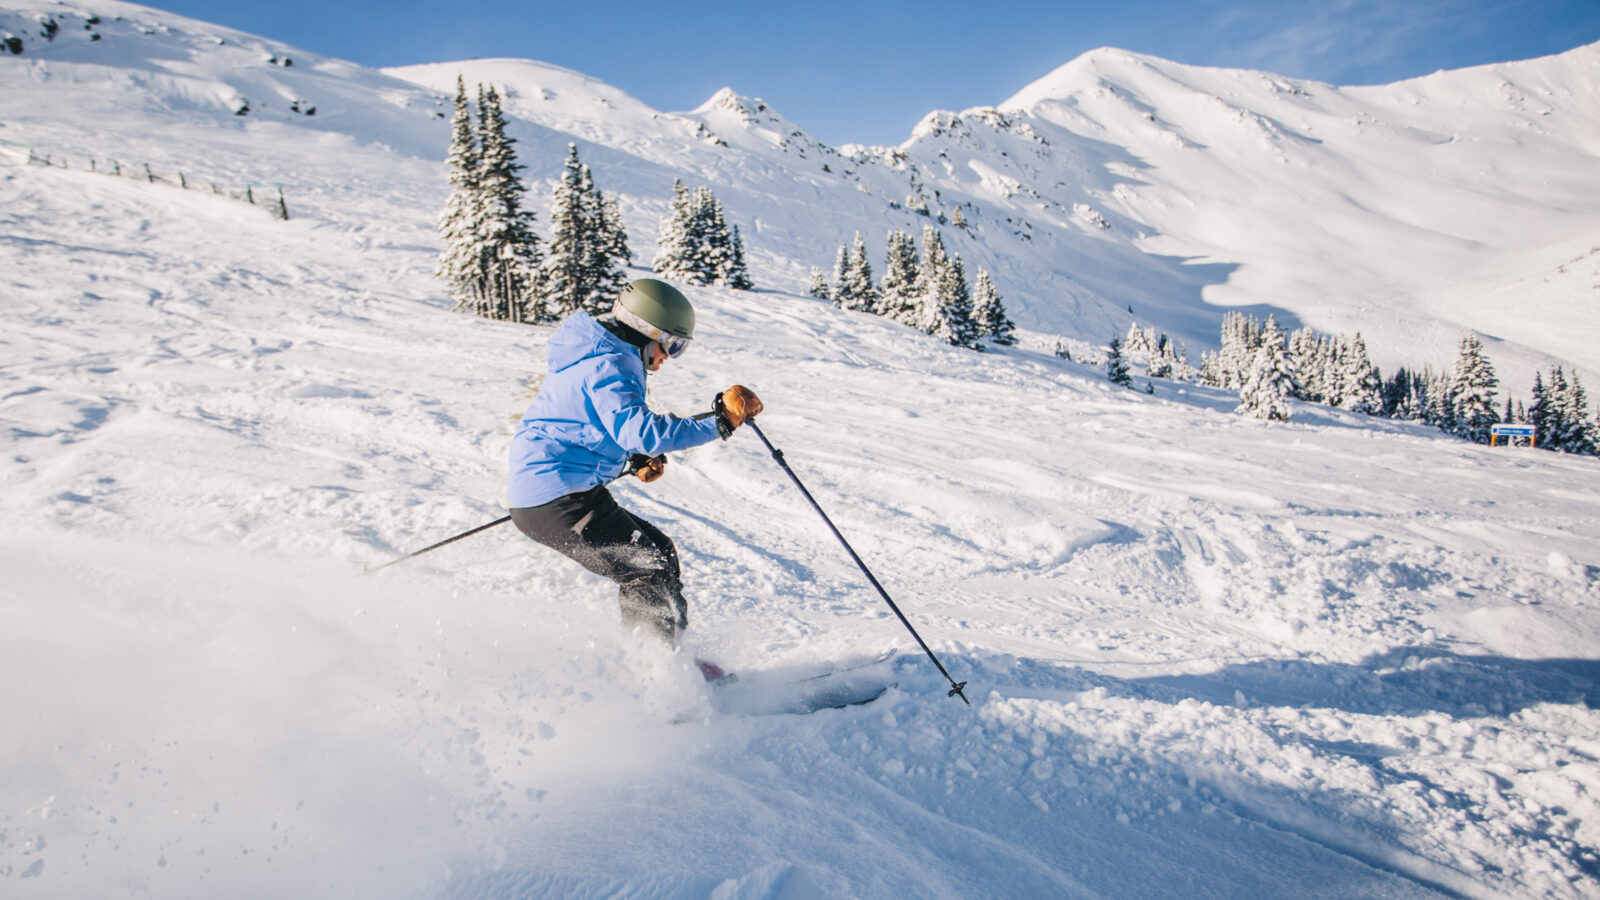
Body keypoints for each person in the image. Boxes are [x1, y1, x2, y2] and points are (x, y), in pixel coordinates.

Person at [506, 278, 761, 673]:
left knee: (657, 552)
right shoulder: (611, 363)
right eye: (673, 345)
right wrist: (721, 422)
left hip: (563, 490)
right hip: (555, 497)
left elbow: (592, 423)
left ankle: (666, 660)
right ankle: (659, 676)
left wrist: (634, 456)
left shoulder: (602, 353)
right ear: (648, 331)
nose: (669, 358)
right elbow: (641, 429)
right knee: (647, 568)